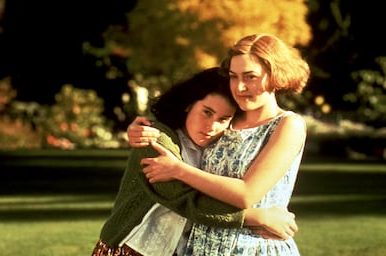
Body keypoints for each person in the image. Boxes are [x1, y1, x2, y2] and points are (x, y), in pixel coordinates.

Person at [129, 33, 310, 255]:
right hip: (197, 247)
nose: (239, 87)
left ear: (275, 75)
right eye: (234, 76)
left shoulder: (287, 125)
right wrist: (139, 129)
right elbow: (183, 126)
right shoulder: (226, 118)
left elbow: (246, 194)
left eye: (250, 77)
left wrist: (178, 170)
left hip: (253, 248)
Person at [91, 67, 298, 256]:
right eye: (207, 112)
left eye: (223, 119)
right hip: (128, 249)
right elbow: (186, 200)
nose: (211, 126)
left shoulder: (217, 149)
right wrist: (257, 218)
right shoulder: (155, 139)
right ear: (189, 104)